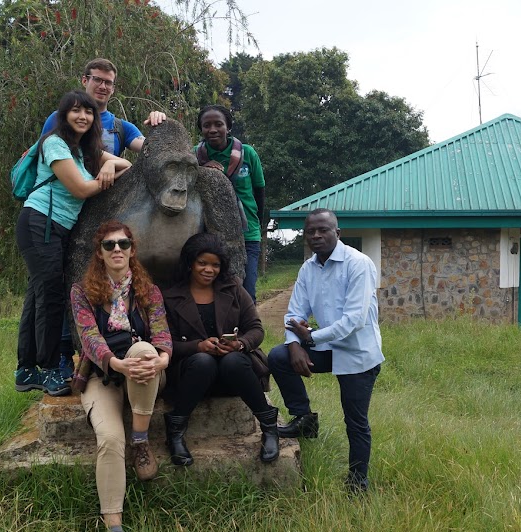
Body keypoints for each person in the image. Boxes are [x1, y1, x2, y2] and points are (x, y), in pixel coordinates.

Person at [43, 58, 167, 378]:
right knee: (62, 284)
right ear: (84, 79)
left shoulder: (119, 126)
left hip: (107, 219)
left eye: (108, 82)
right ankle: (62, 355)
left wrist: (159, 126)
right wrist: (106, 161)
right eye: (97, 79)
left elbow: (150, 152)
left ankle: (114, 346)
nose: (102, 86)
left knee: (110, 285)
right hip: (66, 213)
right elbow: (55, 159)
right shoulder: (58, 122)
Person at [15, 91, 131, 397]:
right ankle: (52, 369)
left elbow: (126, 164)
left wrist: (107, 165)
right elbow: (80, 189)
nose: (83, 116)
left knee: (37, 298)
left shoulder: (85, 149)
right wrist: (107, 175)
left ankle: (26, 370)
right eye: (76, 111)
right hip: (40, 222)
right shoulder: (54, 143)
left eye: (89, 112)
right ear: (63, 115)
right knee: (52, 298)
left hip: (56, 228)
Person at [270, 209, 384, 493]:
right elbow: (294, 313)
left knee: (355, 422)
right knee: (279, 357)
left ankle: (358, 483)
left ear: (337, 233)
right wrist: (295, 344)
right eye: (311, 232)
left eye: (323, 230)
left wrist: (309, 338)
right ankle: (304, 419)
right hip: (324, 347)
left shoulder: (358, 264)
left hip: (358, 354)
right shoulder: (308, 268)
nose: (317, 236)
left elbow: (354, 320)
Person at [71, 220, 172, 532]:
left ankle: (140, 442)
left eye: (123, 244)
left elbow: (162, 333)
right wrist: (118, 364)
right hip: (104, 375)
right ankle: (114, 528)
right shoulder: (82, 292)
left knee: (143, 348)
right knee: (111, 439)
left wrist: (162, 359)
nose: (117, 249)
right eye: (109, 245)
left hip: (145, 374)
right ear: (99, 253)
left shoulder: (148, 291)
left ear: (132, 250)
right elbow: (89, 337)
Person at [162, 232, 279, 464]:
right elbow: (163, 342)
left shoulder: (233, 288)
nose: (209, 270)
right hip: (191, 377)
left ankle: (269, 428)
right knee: (203, 361)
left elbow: (256, 329)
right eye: (202, 263)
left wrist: (240, 344)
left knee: (233, 360)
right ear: (190, 263)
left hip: (233, 375)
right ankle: (175, 433)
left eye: (215, 265)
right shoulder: (170, 297)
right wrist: (198, 346)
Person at [195, 105, 266, 301]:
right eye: (206, 125)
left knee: (246, 292)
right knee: (216, 290)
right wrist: (204, 170)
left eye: (218, 124)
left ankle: (248, 331)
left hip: (247, 232)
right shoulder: (195, 156)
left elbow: (259, 191)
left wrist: (257, 225)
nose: (212, 130)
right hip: (211, 233)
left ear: (228, 127)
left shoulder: (247, 153)